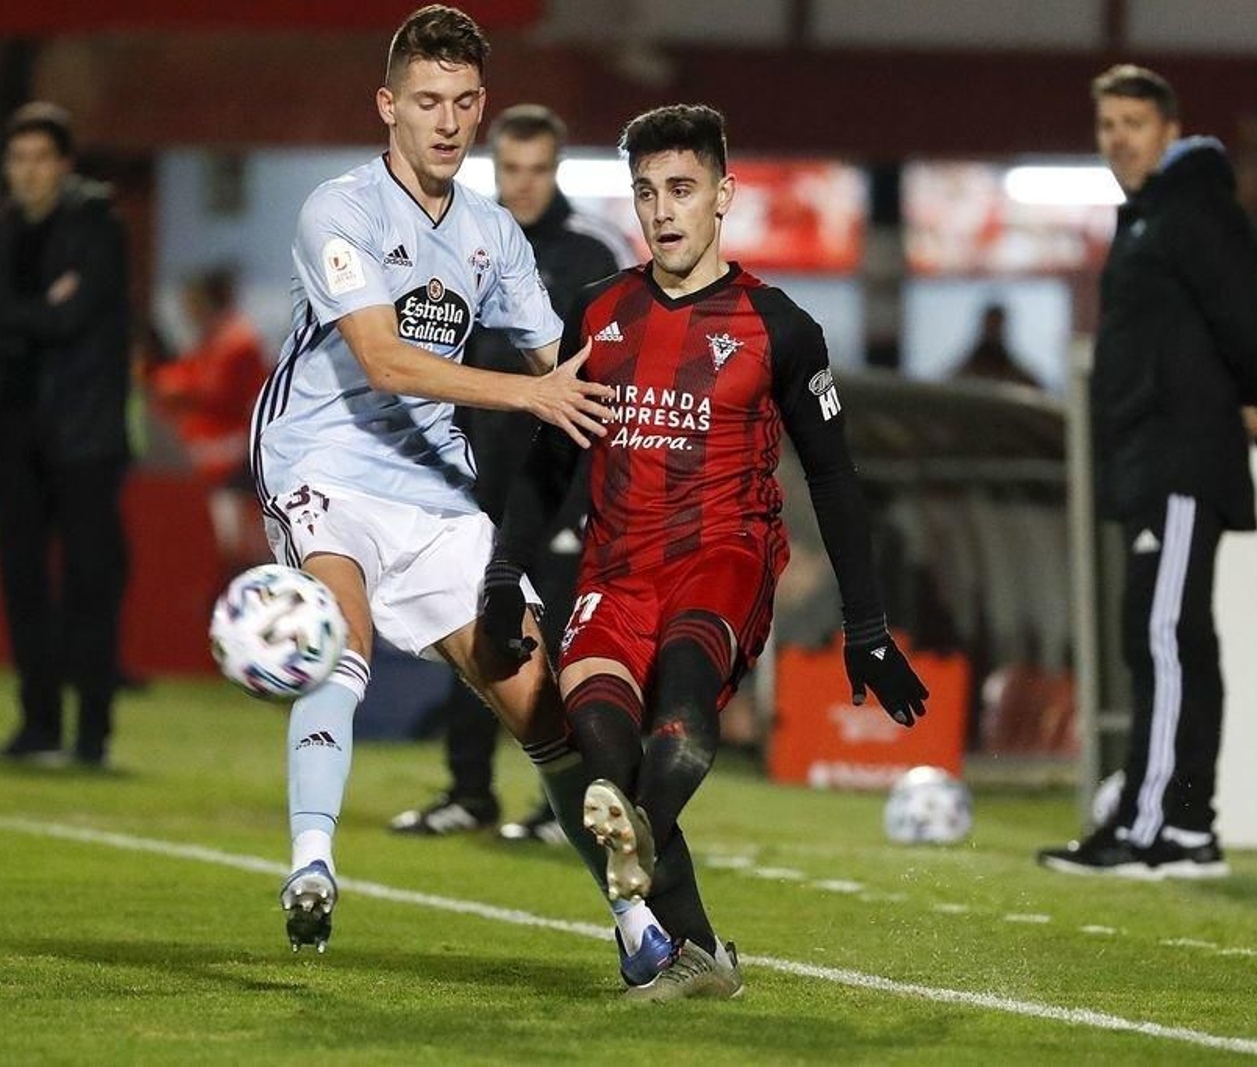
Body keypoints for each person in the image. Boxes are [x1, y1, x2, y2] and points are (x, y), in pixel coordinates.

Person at [254, 6, 674, 986]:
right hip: (320, 457)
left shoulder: (491, 235)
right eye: (426, 102)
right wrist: (533, 391)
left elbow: (562, 365)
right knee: (340, 633)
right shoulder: (340, 211)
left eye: (461, 103)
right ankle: (311, 864)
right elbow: (384, 359)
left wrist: (658, 430)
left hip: (432, 485)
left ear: (481, 109)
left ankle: (634, 919)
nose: (445, 122)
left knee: (535, 702)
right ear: (387, 106)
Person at [483, 104, 929, 1000]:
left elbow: (837, 482)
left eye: (681, 189)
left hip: (723, 559)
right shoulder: (600, 314)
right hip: (614, 568)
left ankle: (643, 845)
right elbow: (550, 460)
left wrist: (867, 625)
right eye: (646, 192)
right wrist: (503, 574)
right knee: (599, 736)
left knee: (680, 701)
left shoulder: (780, 326)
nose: (662, 211)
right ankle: (700, 953)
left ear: (723, 196)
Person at [1037, 66, 1257, 878]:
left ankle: (1146, 828)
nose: (1118, 137)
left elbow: (1242, 318)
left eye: (1133, 122)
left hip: (1179, 460)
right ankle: (1188, 827)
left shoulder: (1190, 210)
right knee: (1179, 639)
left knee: (1157, 637)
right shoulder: (1152, 216)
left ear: (1169, 129)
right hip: (1157, 457)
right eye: (1107, 124)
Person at [388, 103, 635, 844]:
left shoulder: (593, 250)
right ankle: (470, 790)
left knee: (558, 632)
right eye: (512, 169)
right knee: (470, 622)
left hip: (559, 471)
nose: (524, 185)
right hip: (472, 464)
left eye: (538, 170)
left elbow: (613, 362)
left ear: (556, 169)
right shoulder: (460, 237)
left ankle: (577, 798)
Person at [0, 102, 131, 768]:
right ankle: (37, 723)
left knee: (90, 582)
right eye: (17, 158)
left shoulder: (97, 228)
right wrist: (34, 312)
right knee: (23, 582)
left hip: (84, 435)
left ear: (63, 165)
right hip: (12, 432)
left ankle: (91, 733)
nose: (27, 172)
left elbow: (75, 317)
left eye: (39, 158)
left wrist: (9, 318)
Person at [145, 269, 268, 574]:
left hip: (229, 450)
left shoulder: (238, 341)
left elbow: (218, 390)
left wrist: (178, 387)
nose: (189, 313)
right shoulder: (212, 338)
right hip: (207, 446)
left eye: (193, 305)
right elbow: (188, 375)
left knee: (228, 542)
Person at [953, 303, 1039, 388]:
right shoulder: (966, 370)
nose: (993, 330)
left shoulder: (1018, 373)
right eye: (990, 324)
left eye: (997, 324)